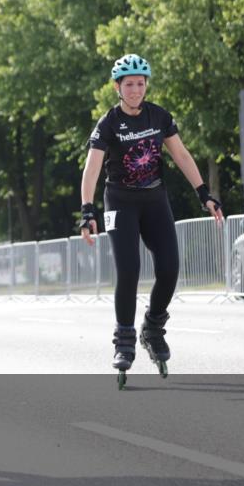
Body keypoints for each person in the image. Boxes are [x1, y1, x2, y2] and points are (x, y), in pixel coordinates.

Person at [80, 54, 224, 390]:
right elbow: (92, 168)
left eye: (140, 84)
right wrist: (87, 211)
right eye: (128, 84)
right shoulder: (108, 123)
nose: (134, 90)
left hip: (155, 199)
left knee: (170, 268)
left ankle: (153, 327)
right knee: (128, 270)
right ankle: (124, 340)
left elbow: (182, 154)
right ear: (117, 87)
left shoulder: (159, 116)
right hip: (120, 201)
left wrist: (204, 193)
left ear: (146, 85)